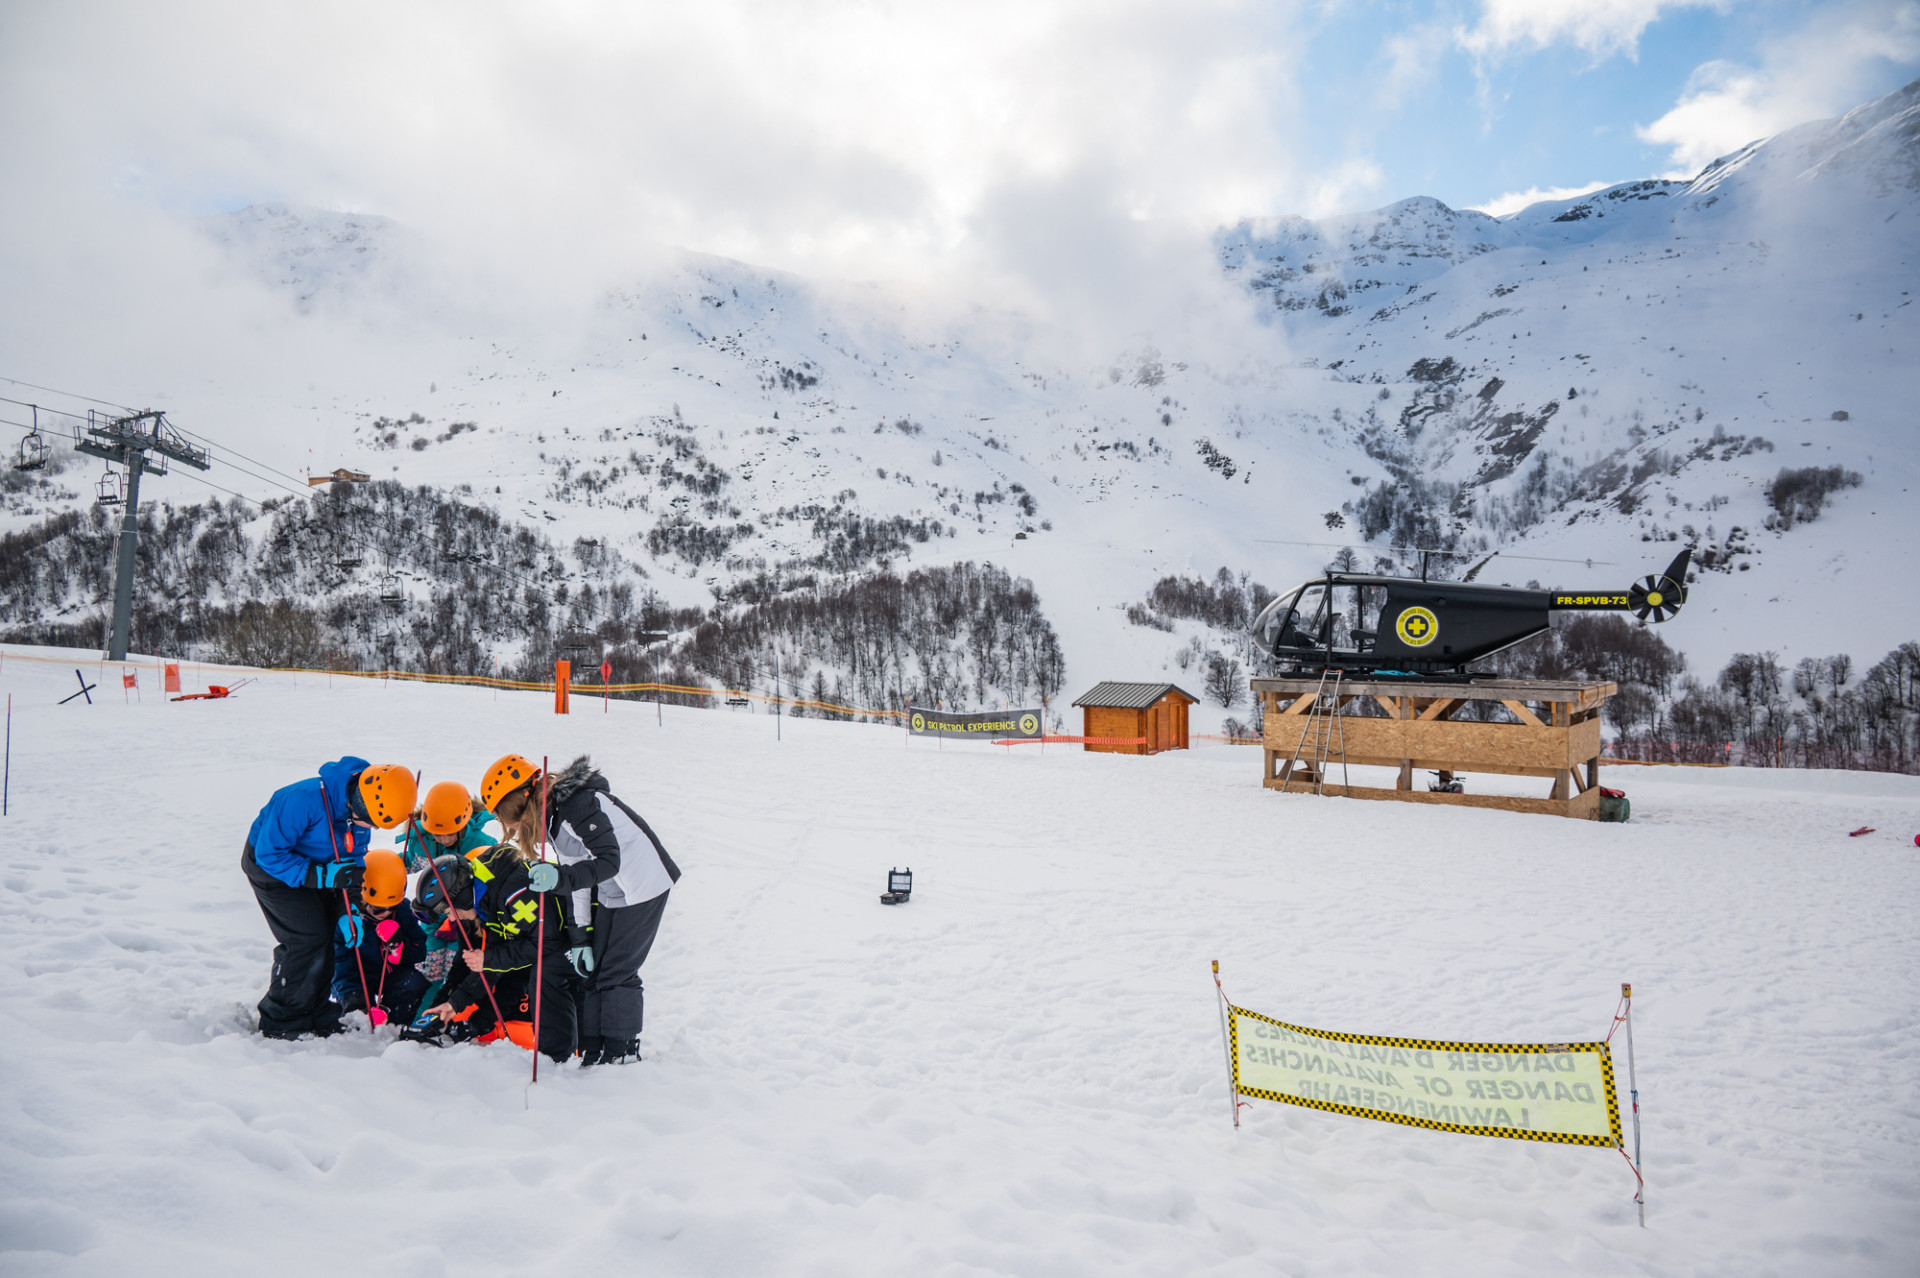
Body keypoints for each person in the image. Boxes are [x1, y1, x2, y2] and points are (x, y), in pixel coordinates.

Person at [481, 753, 678, 1066]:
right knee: (596, 970)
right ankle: (595, 1049)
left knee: (617, 971)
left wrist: (558, 878)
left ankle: (620, 1051)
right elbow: (580, 880)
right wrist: (580, 935)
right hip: (615, 890)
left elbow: (607, 861)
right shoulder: (554, 817)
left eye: (515, 822)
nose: (518, 831)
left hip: (644, 884)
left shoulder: (576, 805)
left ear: (524, 801)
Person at [242, 757, 416, 1039]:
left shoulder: (358, 814)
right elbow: (269, 856)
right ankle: (282, 1018)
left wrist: (349, 911)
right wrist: (321, 877)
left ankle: (314, 1008)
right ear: (358, 804)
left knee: (328, 934)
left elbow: (353, 863)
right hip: (272, 870)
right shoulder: (301, 800)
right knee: (306, 939)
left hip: (323, 868)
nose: (369, 829)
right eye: (368, 823)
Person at [421, 840, 577, 1063]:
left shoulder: (515, 894)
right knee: (518, 972)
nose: (452, 918)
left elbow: (547, 943)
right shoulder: (489, 904)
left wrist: (489, 959)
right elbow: (495, 966)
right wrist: (454, 1004)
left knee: (545, 978)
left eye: (449, 910)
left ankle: (561, 1063)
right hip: (557, 941)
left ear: (462, 897)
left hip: (587, 932)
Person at [331, 849, 430, 1026]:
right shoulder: (346, 918)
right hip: (354, 977)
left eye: (392, 907)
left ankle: (394, 1027)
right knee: (356, 1010)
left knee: (414, 983)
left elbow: (420, 949)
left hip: (389, 974)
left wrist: (402, 947)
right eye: (378, 909)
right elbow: (339, 965)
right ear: (362, 899)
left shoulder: (403, 911)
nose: (386, 913)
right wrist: (355, 1000)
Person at [396, 781, 499, 870]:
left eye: (450, 834)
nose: (445, 840)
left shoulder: (484, 846)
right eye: (437, 835)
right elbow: (411, 863)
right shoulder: (421, 843)